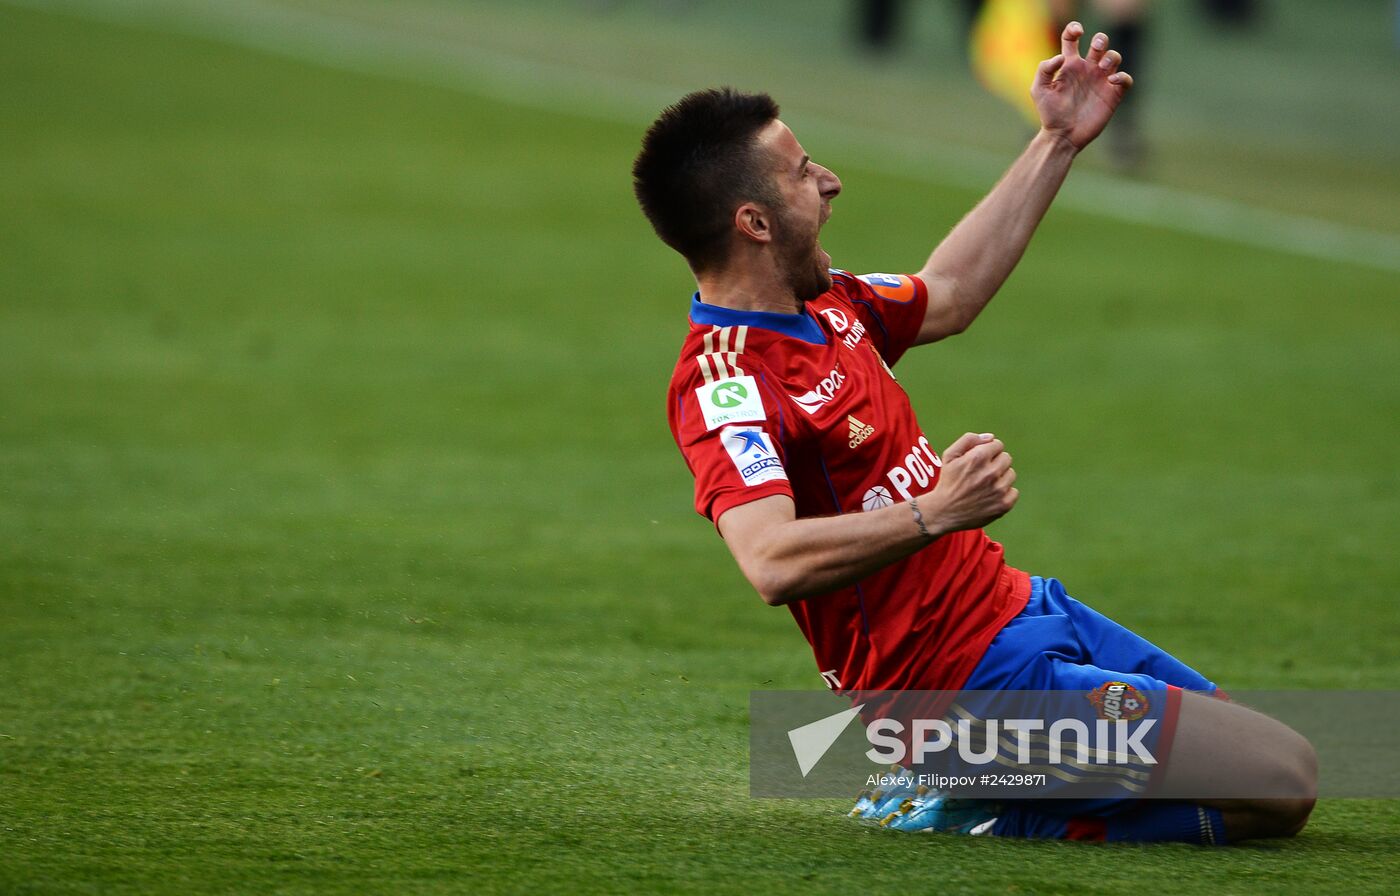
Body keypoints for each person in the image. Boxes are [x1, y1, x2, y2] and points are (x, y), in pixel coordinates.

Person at [632, 22, 1315, 844]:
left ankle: (989, 780)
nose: (831, 181)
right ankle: (972, 794)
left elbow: (949, 290)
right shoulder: (727, 382)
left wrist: (1057, 141)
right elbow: (771, 561)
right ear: (755, 221)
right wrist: (936, 510)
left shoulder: (828, 303)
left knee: (1259, 769)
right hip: (951, 689)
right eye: (805, 172)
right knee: (1283, 783)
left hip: (1019, 611)